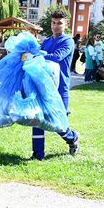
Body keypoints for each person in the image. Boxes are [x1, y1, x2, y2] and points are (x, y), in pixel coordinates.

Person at [31, 10, 80, 160]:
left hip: (60, 88)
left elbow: (57, 57)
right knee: (37, 119)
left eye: (59, 23)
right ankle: (38, 155)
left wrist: (38, 54)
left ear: (65, 25)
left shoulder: (68, 41)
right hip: (44, 87)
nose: (56, 26)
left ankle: (73, 138)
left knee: (57, 123)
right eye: (53, 22)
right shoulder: (46, 41)